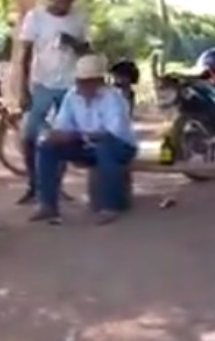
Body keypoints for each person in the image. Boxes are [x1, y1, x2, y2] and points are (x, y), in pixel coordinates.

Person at [30, 54, 138, 226]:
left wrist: (77, 135)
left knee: (105, 148)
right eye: (80, 81)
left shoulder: (113, 98)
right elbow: (63, 125)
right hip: (87, 145)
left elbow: (111, 133)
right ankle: (47, 204)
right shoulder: (72, 96)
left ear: (99, 81)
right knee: (47, 147)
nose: (82, 86)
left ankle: (110, 207)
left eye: (88, 82)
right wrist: (55, 135)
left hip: (119, 146)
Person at [18, 0, 90, 205]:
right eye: (58, 1)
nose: (62, 6)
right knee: (29, 134)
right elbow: (25, 54)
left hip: (69, 85)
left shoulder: (78, 18)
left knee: (64, 136)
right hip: (42, 83)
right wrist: (22, 88)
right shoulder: (36, 17)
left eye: (67, 2)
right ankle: (33, 184)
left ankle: (55, 186)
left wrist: (73, 43)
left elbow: (87, 51)